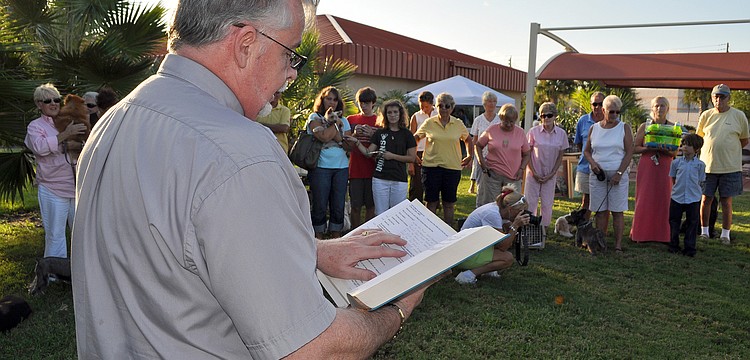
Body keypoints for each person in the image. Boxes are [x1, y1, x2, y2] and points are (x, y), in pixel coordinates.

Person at [72, 1, 431, 358]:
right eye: (290, 55)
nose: (292, 74)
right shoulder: (239, 151)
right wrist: (394, 311)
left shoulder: (117, 119)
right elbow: (311, 350)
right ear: (245, 44)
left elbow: (163, 240)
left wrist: (312, 250)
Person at [25, 83, 87, 259]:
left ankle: (81, 271)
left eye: (56, 100)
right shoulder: (35, 127)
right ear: (39, 104)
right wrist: (66, 134)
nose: (53, 104)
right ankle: (53, 275)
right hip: (52, 189)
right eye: (47, 100)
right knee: (55, 235)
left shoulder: (69, 120)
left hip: (76, 187)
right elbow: (40, 147)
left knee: (81, 233)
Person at [697, 84, 749, 245]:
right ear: (712, 98)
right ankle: (704, 232)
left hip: (730, 167)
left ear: (729, 98)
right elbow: (699, 138)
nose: (718, 100)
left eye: (722, 96)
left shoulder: (739, 116)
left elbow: (744, 140)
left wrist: (729, 151)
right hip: (708, 166)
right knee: (706, 199)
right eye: (715, 96)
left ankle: (725, 234)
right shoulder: (706, 115)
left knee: (726, 201)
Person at [584, 95, 634, 253]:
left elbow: (629, 152)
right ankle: (600, 242)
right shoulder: (594, 128)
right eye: (611, 112)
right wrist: (592, 164)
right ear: (603, 110)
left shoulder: (624, 127)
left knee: (617, 211)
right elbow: (586, 151)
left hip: (617, 176)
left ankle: (618, 245)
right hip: (598, 175)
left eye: (617, 112)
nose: (614, 115)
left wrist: (619, 173)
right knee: (599, 211)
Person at [348, 99, 417, 215]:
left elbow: (412, 158)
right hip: (380, 178)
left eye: (395, 112)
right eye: (389, 112)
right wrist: (357, 142)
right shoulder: (380, 133)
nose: (392, 115)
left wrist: (392, 156)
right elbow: (368, 153)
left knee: (397, 213)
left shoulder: (407, 134)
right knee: (380, 213)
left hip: (399, 178)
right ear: (385, 115)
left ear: (400, 114)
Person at [414, 92, 472, 227]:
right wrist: (413, 155)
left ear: (452, 108)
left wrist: (470, 155)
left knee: (449, 203)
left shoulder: (458, 124)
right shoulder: (429, 122)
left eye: (447, 106)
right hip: (431, 167)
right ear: (436, 107)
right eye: (440, 105)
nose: (444, 109)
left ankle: (448, 233)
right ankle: (429, 231)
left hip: (452, 168)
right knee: (431, 202)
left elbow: (468, 139)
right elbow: (416, 137)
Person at [454, 185, 530, 284]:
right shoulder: (492, 214)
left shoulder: (499, 210)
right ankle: (467, 275)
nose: (521, 214)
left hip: (467, 249)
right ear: (510, 208)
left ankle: (488, 270)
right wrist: (515, 225)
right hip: (463, 255)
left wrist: (515, 226)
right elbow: (503, 246)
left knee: (503, 250)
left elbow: (508, 240)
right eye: (520, 211)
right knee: (507, 258)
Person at [306, 86, 352, 239]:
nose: (331, 102)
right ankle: (317, 239)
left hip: (341, 167)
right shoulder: (314, 118)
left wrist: (336, 128)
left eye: (334, 99)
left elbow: (348, 145)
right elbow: (324, 137)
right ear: (322, 100)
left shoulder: (344, 120)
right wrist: (333, 123)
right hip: (320, 167)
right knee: (319, 204)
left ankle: (336, 238)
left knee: (338, 205)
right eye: (328, 99)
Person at [630, 96, 678, 243]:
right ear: (652, 108)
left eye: (663, 105)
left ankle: (662, 235)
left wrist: (664, 149)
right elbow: (635, 148)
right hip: (648, 165)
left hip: (665, 166)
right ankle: (640, 234)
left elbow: (675, 152)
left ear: (668, 109)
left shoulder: (673, 127)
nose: (659, 108)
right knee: (644, 198)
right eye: (656, 105)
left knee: (664, 198)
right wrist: (649, 147)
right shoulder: (645, 126)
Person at [475, 103, 530, 207]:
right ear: (501, 118)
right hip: (493, 175)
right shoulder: (492, 130)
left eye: (512, 122)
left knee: (512, 207)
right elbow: (478, 146)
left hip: (513, 177)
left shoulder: (520, 132)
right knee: (491, 206)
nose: (509, 124)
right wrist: (482, 163)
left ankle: (510, 224)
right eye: (505, 121)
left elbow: (527, 154)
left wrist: (521, 169)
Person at [524, 102, 568, 227]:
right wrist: (533, 172)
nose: (546, 118)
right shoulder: (533, 132)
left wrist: (552, 173)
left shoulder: (561, 134)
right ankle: (529, 227)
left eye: (549, 115)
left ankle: (543, 230)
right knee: (530, 203)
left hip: (550, 174)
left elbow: (560, 155)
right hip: (533, 173)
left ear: (555, 116)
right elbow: (527, 153)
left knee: (547, 204)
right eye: (543, 116)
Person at [668, 134, 706, 257]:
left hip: (693, 198)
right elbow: (673, 178)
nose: (685, 147)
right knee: (674, 221)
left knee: (692, 223)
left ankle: (689, 248)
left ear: (696, 149)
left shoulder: (700, 165)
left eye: (688, 145)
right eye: (683, 144)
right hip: (677, 197)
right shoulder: (676, 163)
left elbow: (700, 180)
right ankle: (673, 245)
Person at [347, 87, 378, 227]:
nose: (364, 106)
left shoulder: (379, 120)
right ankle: (354, 231)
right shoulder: (351, 119)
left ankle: (368, 232)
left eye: (367, 102)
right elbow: (345, 144)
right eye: (361, 102)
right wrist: (354, 134)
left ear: (373, 103)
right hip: (356, 168)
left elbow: (383, 142)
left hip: (374, 168)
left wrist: (373, 134)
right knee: (356, 205)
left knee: (371, 205)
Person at [573, 92, 605, 220]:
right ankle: (584, 227)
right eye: (594, 104)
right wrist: (588, 157)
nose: (597, 107)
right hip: (586, 167)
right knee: (586, 200)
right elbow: (580, 143)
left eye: (600, 104)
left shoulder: (611, 121)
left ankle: (600, 230)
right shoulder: (583, 120)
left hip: (604, 168)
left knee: (602, 202)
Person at [468, 91, 500, 194]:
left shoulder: (500, 119)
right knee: (480, 184)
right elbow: (474, 139)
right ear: (484, 103)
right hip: (480, 156)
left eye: (493, 101)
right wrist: (472, 155)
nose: (491, 104)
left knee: (495, 185)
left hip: (496, 157)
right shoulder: (478, 120)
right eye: (489, 101)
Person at [408, 91, 437, 203]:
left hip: (434, 151)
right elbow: (411, 139)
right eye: (421, 106)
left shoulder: (438, 114)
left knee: (433, 181)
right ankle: (414, 204)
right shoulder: (416, 116)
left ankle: (432, 204)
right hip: (418, 151)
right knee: (417, 183)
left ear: (431, 104)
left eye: (426, 106)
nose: (424, 109)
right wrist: (411, 160)